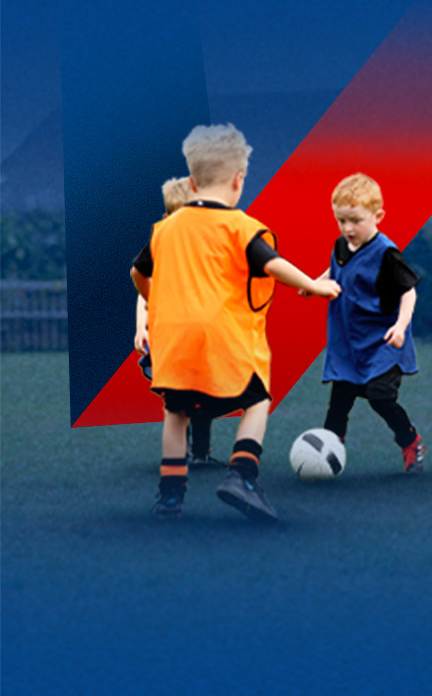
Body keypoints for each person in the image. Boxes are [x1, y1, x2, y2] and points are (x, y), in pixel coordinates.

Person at [130, 123, 340, 519]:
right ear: (239, 180)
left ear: (191, 181)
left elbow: (138, 274)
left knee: (175, 414)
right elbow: (273, 265)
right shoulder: (240, 227)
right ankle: (242, 476)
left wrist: (156, 302)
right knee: (257, 401)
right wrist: (314, 285)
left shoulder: (164, 230)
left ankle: (171, 497)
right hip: (224, 341)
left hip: (174, 342)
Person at [313, 172, 426, 473]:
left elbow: (409, 292)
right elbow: (335, 269)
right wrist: (314, 284)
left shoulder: (386, 253)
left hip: (382, 342)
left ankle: (410, 440)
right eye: (341, 221)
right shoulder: (341, 245)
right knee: (338, 403)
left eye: (355, 220)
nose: (347, 228)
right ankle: (327, 456)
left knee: (381, 397)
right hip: (350, 345)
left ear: (378, 216)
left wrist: (400, 327)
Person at [133, 176, 219, 467]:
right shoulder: (162, 245)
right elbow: (144, 287)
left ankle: (199, 453)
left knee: (201, 400)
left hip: (200, 340)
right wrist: (140, 326)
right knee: (179, 403)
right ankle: (180, 454)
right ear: (169, 218)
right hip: (171, 343)